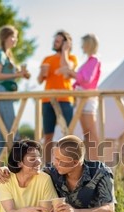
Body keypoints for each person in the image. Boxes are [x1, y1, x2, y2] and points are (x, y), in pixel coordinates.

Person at [0, 25, 30, 165]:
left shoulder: (7, 54)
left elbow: (8, 74)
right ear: (6, 37)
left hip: (6, 93)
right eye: (13, 36)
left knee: (2, 131)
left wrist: (21, 74)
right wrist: (17, 74)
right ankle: (21, 164)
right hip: (1, 92)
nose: (15, 40)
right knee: (12, 128)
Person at [37, 30, 78, 163]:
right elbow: (39, 80)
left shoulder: (71, 58)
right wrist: (42, 74)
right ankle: (46, 166)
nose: (55, 43)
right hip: (47, 100)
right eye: (55, 40)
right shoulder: (47, 59)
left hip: (65, 100)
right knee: (48, 135)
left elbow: (66, 68)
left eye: (58, 41)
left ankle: (68, 164)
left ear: (66, 43)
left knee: (67, 134)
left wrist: (65, 51)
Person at [61, 34, 101, 160]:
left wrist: (72, 73)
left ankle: (96, 163)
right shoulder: (89, 61)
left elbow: (87, 80)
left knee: (91, 133)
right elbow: (82, 79)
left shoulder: (94, 60)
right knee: (87, 133)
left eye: (83, 43)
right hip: (82, 98)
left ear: (88, 44)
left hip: (88, 99)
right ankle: (90, 161)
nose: (81, 46)